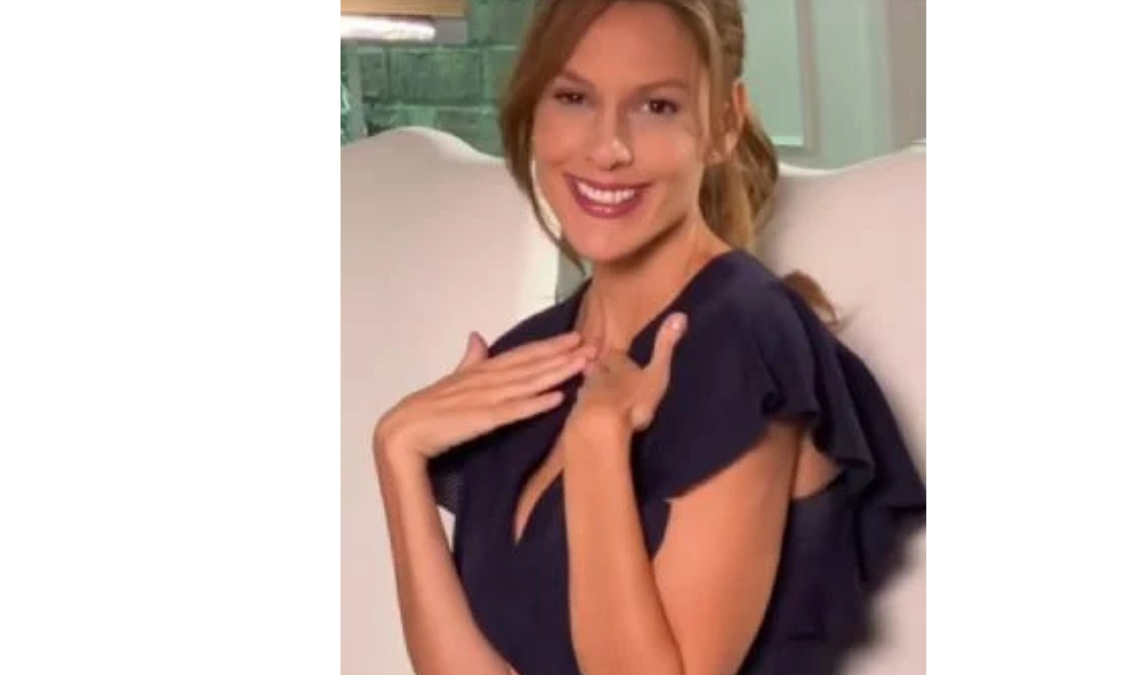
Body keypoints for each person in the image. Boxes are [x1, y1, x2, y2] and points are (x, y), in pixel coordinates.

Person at [371, 1, 926, 673]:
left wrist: (597, 444)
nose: (607, 147)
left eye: (657, 106)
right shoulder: (526, 362)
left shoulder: (748, 345)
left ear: (724, 124)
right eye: (573, 97)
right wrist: (398, 455)